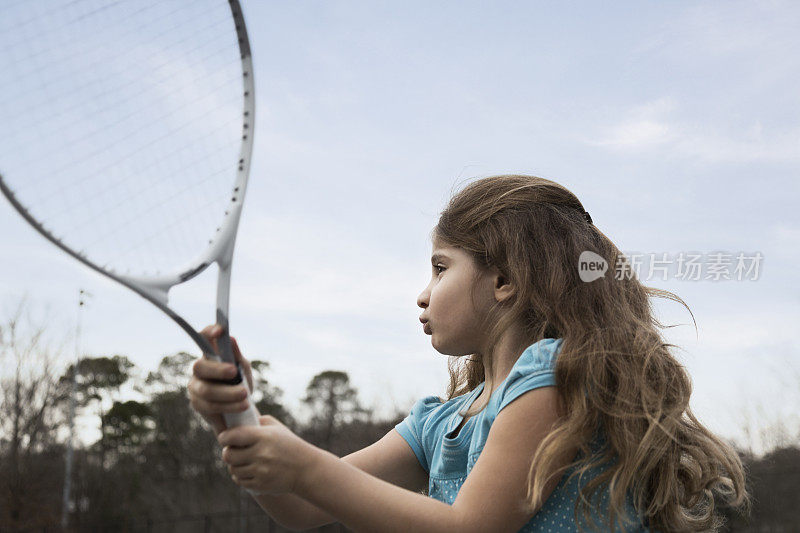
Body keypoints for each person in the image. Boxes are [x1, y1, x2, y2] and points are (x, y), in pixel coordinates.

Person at [188, 175, 751, 532]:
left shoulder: (553, 375)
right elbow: (301, 507)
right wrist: (236, 421)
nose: (422, 293)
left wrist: (304, 463)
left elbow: (469, 528)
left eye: (440, 267)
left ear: (504, 279)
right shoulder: (439, 422)